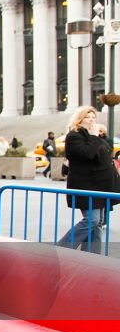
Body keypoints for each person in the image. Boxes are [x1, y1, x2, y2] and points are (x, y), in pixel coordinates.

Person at [56, 107, 115, 253]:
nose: (92, 120)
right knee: (92, 220)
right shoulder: (74, 136)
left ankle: (92, 255)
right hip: (86, 185)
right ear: (79, 120)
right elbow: (87, 154)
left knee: (98, 223)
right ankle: (62, 247)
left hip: (101, 185)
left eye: (94, 117)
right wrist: (94, 137)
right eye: (88, 117)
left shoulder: (94, 136)